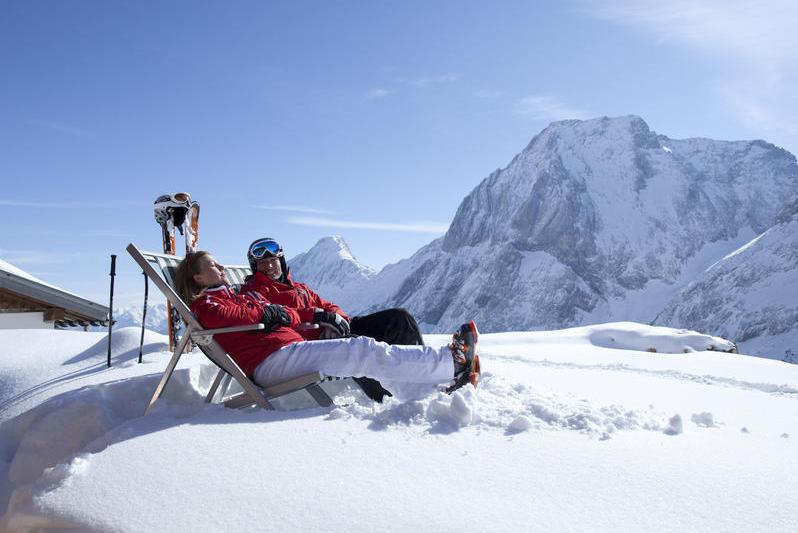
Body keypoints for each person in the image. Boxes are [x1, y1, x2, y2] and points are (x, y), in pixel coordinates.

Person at [174, 251, 481, 398]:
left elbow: (283, 313)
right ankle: (448, 363)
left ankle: (432, 390)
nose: (222, 267)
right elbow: (231, 317)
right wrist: (265, 315)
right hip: (270, 361)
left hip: (286, 350)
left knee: (364, 352)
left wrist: (288, 315)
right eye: (214, 265)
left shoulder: (232, 296)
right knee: (361, 350)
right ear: (198, 278)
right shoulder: (207, 303)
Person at [240, 237, 424, 401]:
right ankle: (388, 400)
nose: (270, 266)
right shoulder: (253, 293)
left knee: (399, 319)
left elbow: (329, 306)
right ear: (255, 267)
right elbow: (278, 320)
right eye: (263, 263)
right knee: (357, 345)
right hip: (312, 346)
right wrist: (320, 324)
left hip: (333, 332)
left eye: (273, 260)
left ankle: (421, 377)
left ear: (281, 261)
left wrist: (337, 320)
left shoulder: (299, 287)